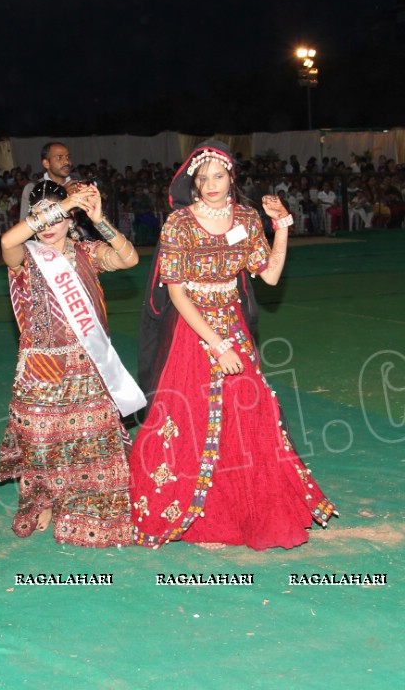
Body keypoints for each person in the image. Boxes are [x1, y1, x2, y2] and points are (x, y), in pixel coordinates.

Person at [130, 141, 336, 550]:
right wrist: (218, 345)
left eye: (218, 176)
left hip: (233, 323)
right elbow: (176, 294)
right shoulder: (180, 223)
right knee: (188, 419)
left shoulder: (245, 218)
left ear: (231, 179)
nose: (210, 184)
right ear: (193, 182)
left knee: (250, 413)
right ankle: (187, 511)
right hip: (194, 331)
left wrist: (282, 228)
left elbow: (271, 276)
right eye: (202, 177)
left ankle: (242, 509)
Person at [0, 179, 142, 547]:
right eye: (39, 216)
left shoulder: (87, 252)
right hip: (41, 365)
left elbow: (129, 259)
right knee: (42, 443)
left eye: (56, 215)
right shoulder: (25, 257)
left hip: (87, 364)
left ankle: (90, 510)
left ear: (70, 217)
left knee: (90, 443)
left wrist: (99, 218)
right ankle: (45, 501)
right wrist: (60, 206)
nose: (48, 224)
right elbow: (6, 243)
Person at [19, 142, 73, 221]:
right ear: (46, 163)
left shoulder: (78, 186)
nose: (66, 162)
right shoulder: (32, 188)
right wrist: (64, 195)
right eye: (60, 157)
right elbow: (24, 225)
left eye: (68, 157)